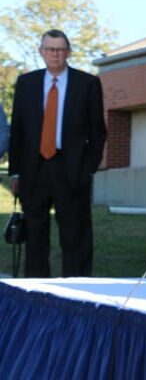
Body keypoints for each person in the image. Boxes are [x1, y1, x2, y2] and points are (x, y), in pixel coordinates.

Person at [9, 29, 107, 277]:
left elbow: (98, 132)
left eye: (60, 49)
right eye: (50, 49)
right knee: (35, 237)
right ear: (41, 52)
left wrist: (88, 169)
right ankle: (37, 293)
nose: (55, 54)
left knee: (76, 236)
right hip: (34, 169)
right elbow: (17, 130)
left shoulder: (87, 84)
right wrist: (15, 172)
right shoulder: (26, 83)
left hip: (72, 168)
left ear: (68, 52)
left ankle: (77, 292)